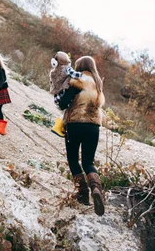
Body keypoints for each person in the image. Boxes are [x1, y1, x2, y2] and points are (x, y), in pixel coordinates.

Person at [58, 55, 106, 216]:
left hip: (75, 124)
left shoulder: (76, 81)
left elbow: (63, 103)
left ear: (79, 66)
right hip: (94, 126)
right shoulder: (98, 84)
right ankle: (96, 189)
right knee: (88, 161)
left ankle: (83, 194)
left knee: (73, 159)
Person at [49, 51, 81, 137]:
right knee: (69, 110)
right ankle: (60, 128)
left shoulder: (53, 72)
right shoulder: (67, 69)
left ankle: (58, 127)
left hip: (57, 97)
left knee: (65, 112)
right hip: (64, 95)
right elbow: (76, 75)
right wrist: (85, 75)